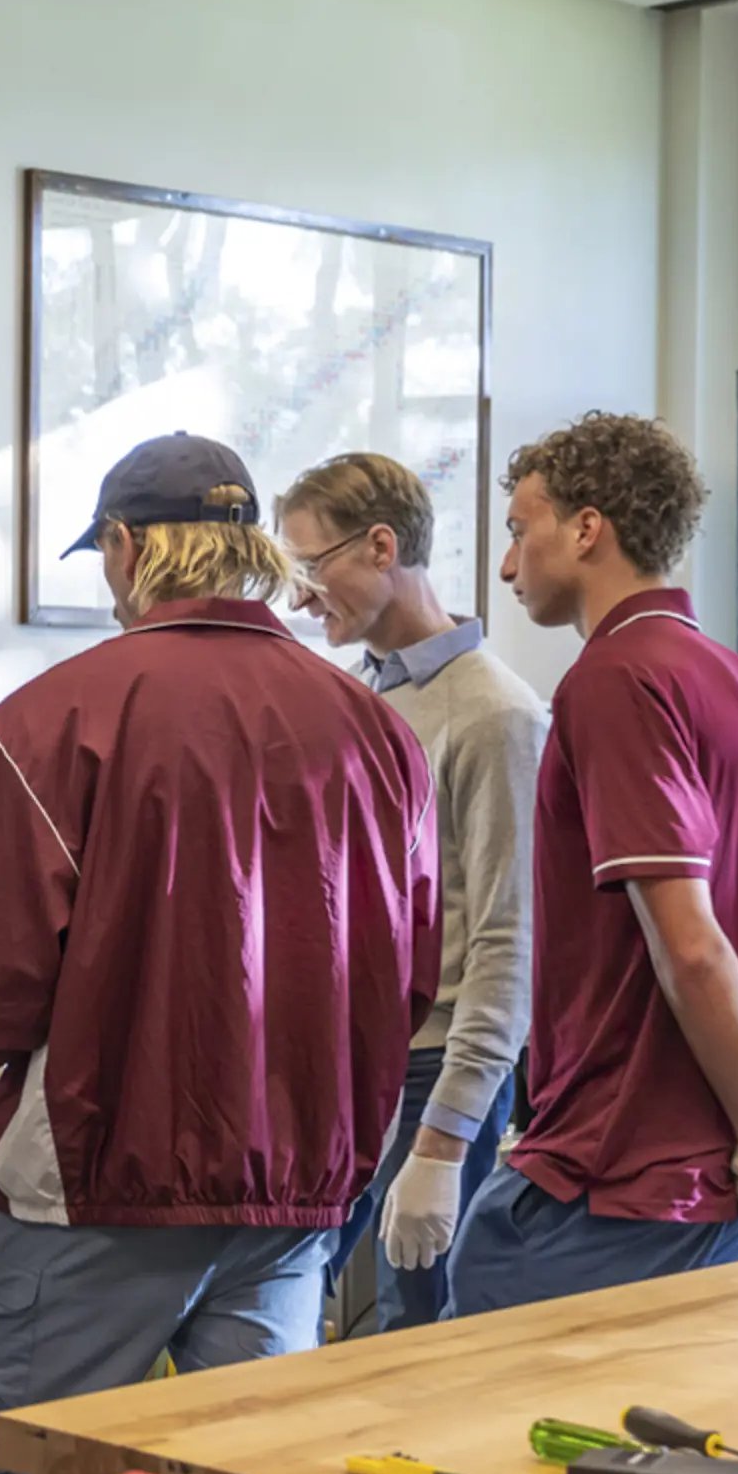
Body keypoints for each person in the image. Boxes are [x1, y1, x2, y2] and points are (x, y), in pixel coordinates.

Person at [0, 433, 437, 1474]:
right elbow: (410, 971)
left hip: (99, 1187)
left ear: (125, 546)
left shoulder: (43, 726)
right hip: (295, 1194)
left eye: (102, 555)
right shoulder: (378, 736)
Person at [445, 412, 738, 1317]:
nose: (509, 566)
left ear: (587, 528)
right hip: (714, 1206)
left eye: (520, 531)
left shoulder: (614, 681)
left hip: (602, 1194)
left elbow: (693, 948)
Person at [280, 454, 548, 1337]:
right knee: (298, 1311)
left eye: (309, 571)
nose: (299, 600)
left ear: (381, 547)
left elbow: (510, 942)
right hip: (349, 1070)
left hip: (436, 1076)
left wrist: (444, 1142)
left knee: (418, 1337)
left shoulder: (496, 717)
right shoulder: (356, 700)